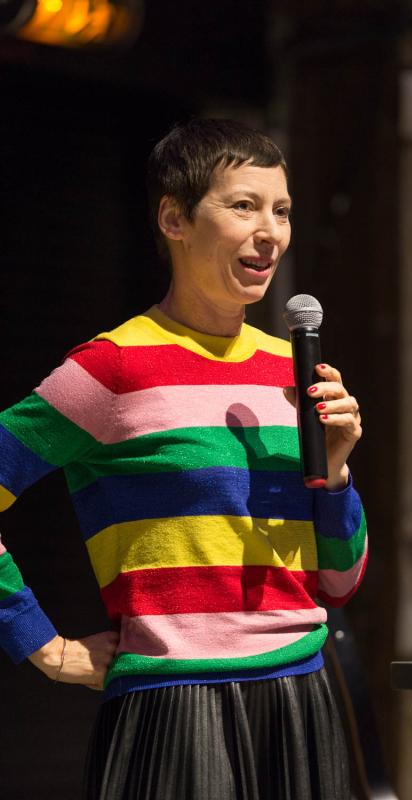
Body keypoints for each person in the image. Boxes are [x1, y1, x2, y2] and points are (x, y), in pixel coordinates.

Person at [0, 118, 367, 800]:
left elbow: (340, 584)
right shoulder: (112, 366)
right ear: (174, 218)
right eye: (243, 206)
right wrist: (43, 647)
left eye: (281, 210)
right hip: (175, 705)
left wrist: (338, 475)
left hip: (303, 697)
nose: (271, 231)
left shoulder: (292, 370)